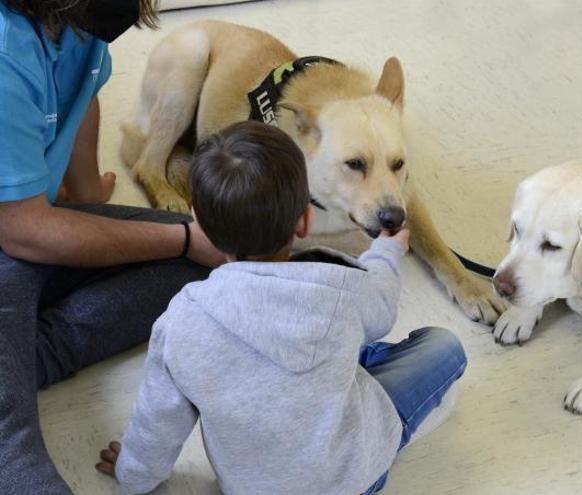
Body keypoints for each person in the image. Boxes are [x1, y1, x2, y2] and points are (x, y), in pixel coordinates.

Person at [93, 121, 467, 494]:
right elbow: (383, 307)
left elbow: (159, 418)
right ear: (305, 221)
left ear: (199, 223)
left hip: (249, 488)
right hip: (354, 478)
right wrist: (386, 251)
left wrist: (134, 473)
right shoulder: (345, 289)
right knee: (443, 347)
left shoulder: (181, 321)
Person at [0, 1, 226, 493]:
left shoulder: (74, 18)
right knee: (12, 452)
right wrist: (182, 237)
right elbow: (21, 230)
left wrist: (83, 195)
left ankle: (22, 357)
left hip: (23, 222)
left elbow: (82, 94)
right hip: (13, 229)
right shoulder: (4, 52)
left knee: (221, 260)